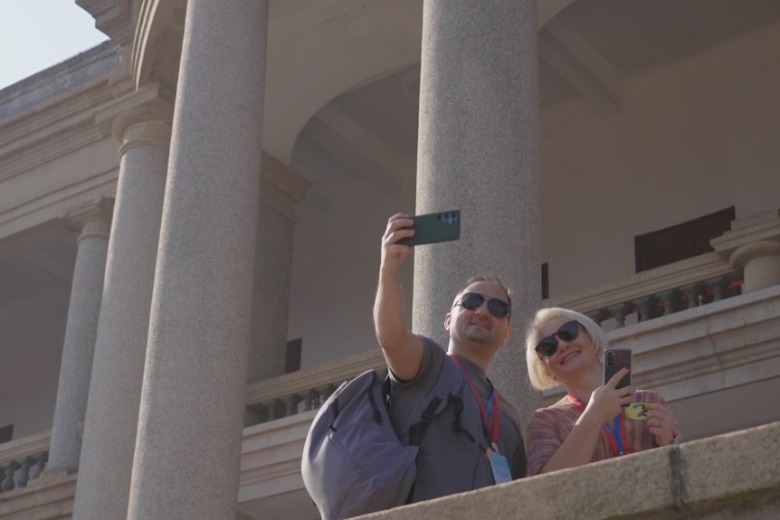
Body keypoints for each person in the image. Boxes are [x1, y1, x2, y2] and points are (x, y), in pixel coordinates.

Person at [373, 213, 526, 503]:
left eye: (498, 308)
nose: (482, 311)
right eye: (470, 302)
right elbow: (392, 339)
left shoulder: (509, 415)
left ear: (507, 333)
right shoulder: (429, 366)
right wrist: (389, 269)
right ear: (448, 320)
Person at [524, 307, 681, 475]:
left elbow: (681, 472)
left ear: (591, 338)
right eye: (548, 347)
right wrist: (594, 415)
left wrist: (669, 443)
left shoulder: (649, 401)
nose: (562, 345)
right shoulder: (545, 421)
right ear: (547, 371)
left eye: (567, 332)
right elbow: (545, 484)